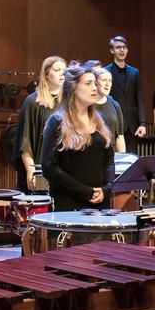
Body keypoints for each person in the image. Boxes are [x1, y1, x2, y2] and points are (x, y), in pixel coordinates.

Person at [40, 63, 115, 211]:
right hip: (69, 204)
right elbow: (49, 167)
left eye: (94, 83)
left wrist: (106, 189)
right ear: (73, 88)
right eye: (88, 83)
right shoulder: (57, 122)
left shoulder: (100, 121)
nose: (95, 87)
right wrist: (86, 191)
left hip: (99, 204)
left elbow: (109, 161)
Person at [14, 56, 65, 192]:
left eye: (64, 70)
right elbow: (25, 141)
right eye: (57, 70)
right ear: (47, 74)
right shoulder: (32, 102)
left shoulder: (69, 101)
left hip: (63, 169)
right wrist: (31, 170)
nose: (62, 73)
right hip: (40, 165)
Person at [105, 36, 147, 153]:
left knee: (130, 160)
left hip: (132, 126)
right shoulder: (106, 72)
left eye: (124, 47)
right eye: (118, 47)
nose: (122, 50)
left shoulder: (134, 72)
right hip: (114, 124)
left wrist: (142, 123)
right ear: (112, 50)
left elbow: (139, 99)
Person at [92, 66, 127, 152]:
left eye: (110, 81)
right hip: (92, 153)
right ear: (95, 82)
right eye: (104, 80)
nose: (107, 84)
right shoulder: (87, 105)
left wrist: (122, 160)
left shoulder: (115, 105)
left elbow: (120, 136)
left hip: (110, 154)